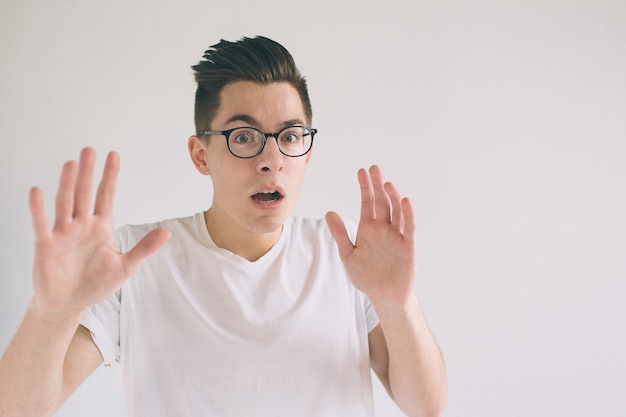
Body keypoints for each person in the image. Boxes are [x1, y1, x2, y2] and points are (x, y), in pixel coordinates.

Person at [0, 36, 447, 417]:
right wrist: (51, 314)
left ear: (307, 152)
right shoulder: (135, 260)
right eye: (244, 137)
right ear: (200, 155)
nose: (271, 159)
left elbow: (426, 405)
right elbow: (18, 408)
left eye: (290, 136)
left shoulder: (348, 255)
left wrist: (396, 303)